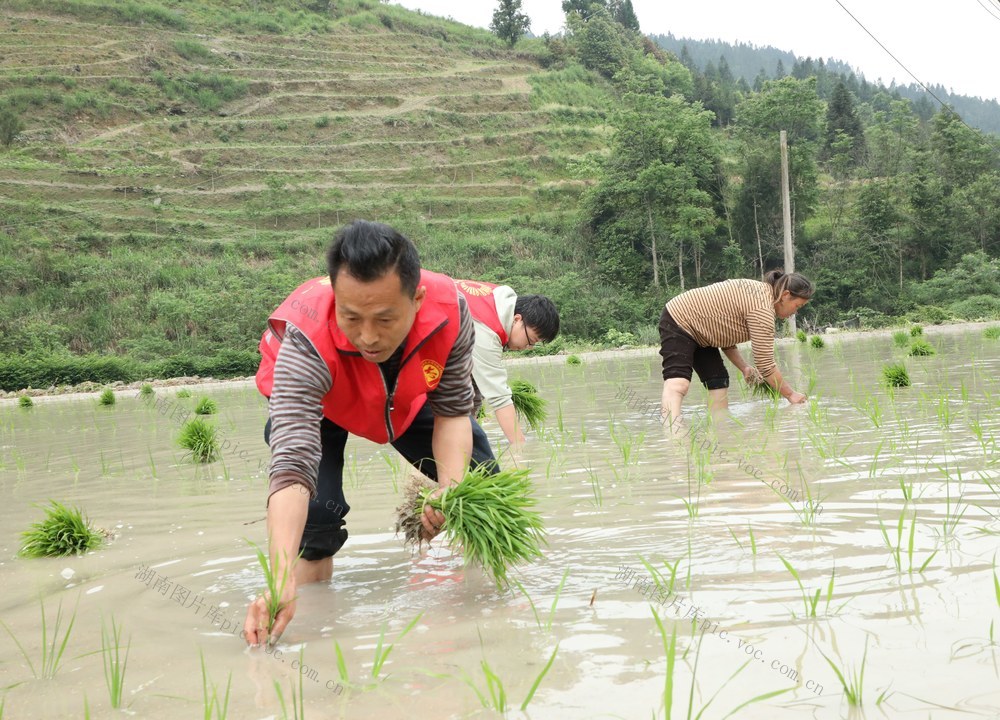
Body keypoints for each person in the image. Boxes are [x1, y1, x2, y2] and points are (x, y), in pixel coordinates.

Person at [243, 220, 496, 647]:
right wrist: (278, 575)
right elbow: (292, 463)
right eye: (351, 317)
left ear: (416, 299)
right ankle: (306, 628)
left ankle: (484, 609)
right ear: (335, 300)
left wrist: (450, 491)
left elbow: (453, 412)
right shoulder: (305, 339)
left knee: (480, 481)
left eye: (384, 318)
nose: (367, 336)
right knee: (317, 520)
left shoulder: (450, 312)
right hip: (325, 404)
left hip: (405, 396)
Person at [658, 269, 814, 425]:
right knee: (679, 383)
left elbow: (724, 332)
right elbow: (766, 365)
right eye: (797, 306)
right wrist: (791, 395)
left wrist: (744, 367)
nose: (795, 312)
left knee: (718, 381)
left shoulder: (761, 295)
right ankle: (672, 436)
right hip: (678, 319)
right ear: (786, 295)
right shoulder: (762, 309)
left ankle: (720, 430)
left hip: (702, 331)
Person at [454, 280, 560, 448]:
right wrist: (519, 447)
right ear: (517, 319)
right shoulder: (486, 329)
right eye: (530, 340)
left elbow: (472, 387)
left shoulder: (498, 302)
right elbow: (499, 398)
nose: (529, 347)